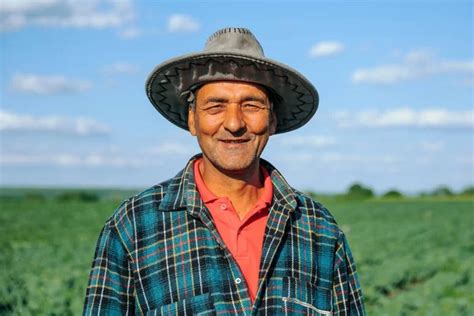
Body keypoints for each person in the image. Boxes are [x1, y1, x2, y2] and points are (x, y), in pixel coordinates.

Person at [84, 27, 365, 315]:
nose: (234, 123)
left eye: (251, 105)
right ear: (192, 120)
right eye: (216, 106)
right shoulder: (134, 227)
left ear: (272, 121)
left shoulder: (318, 229)